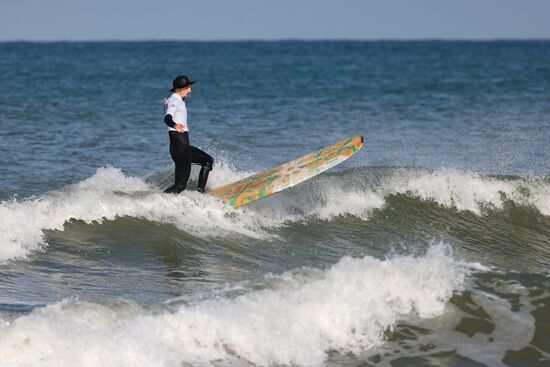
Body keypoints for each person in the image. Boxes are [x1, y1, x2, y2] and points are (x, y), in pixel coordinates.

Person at [163, 75, 214, 194]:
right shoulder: (175, 100)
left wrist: (165, 104)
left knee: (208, 161)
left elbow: (167, 111)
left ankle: (200, 193)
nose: (190, 91)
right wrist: (175, 125)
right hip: (181, 147)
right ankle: (159, 201)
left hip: (179, 147)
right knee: (180, 186)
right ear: (180, 88)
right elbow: (167, 118)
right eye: (188, 88)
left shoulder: (173, 100)